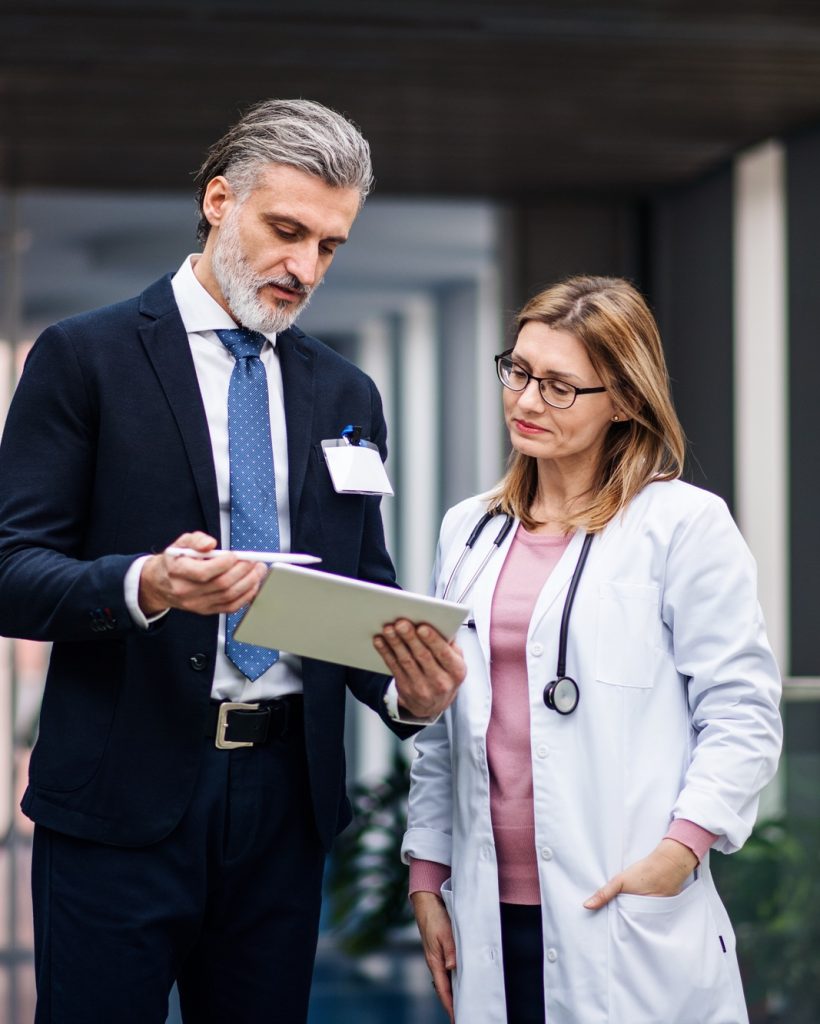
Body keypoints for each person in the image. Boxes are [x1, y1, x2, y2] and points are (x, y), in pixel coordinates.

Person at [0, 98, 464, 1024]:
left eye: (330, 246)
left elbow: (356, 587)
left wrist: (409, 687)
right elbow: (13, 568)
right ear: (219, 201)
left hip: (284, 810)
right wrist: (148, 583)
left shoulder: (346, 391)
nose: (305, 268)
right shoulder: (84, 358)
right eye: (286, 231)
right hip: (121, 799)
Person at [390, 276, 782, 1024]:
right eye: (520, 371)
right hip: (486, 904)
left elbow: (741, 713)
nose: (527, 401)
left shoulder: (683, 525)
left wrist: (680, 852)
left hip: (620, 899)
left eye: (561, 387)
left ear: (626, 400)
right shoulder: (468, 530)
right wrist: (427, 875)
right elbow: (449, 731)